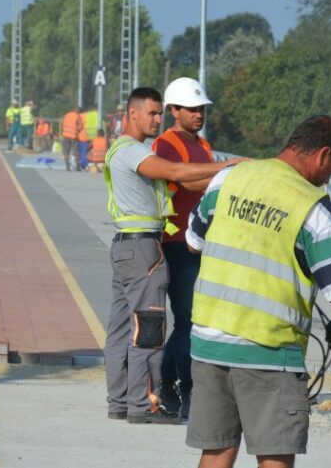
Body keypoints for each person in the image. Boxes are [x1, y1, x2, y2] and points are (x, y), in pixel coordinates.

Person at [185, 115, 331, 468]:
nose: (329, 178)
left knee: (217, 451)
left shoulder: (229, 178)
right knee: (275, 454)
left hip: (208, 343)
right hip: (268, 351)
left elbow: (193, 241)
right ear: (322, 155)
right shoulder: (315, 209)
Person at [103, 86, 231, 425]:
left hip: (126, 245)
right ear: (132, 114)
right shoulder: (133, 152)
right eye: (152, 114)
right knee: (148, 328)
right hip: (144, 248)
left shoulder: (124, 150)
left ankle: (119, 401)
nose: (157, 120)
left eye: (160, 114)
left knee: (119, 329)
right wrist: (230, 166)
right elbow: (176, 173)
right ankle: (144, 405)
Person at [152, 77, 242, 419]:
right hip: (176, 242)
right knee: (188, 319)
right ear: (174, 110)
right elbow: (183, 178)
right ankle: (180, 386)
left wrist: (224, 177)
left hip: (201, 242)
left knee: (194, 320)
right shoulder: (166, 145)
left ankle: (173, 380)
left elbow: (204, 183)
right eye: (191, 109)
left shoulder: (203, 147)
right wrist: (226, 173)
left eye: (201, 108)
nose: (198, 114)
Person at [61, 105, 84, 171]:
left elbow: (63, 124)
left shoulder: (66, 115)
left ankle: (67, 167)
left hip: (65, 135)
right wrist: (77, 130)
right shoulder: (77, 116)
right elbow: (80, 126)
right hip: (74, 136)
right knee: (76, 152)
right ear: (77, 111)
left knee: (66, 152)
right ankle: (77, 167)